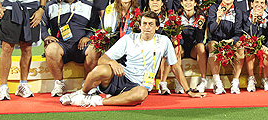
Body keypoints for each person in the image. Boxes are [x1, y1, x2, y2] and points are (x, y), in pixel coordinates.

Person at [59, 11, 206, 107]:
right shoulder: (129, 38)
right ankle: (82, 93)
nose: (147, 27)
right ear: (139, 26)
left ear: (156, 27)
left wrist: (189, 91)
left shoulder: (164, 41)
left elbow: (175, 66)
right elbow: (103, 59)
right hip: (120, 77)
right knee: (101, 69)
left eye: (151, 24)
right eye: (144, 24)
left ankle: (97, 101)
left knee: (141, 94)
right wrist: (113, 62)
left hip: (138, 85)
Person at [41, 0, 101, 96]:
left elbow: (96, 27)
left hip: (82, 46)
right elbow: (41, 24)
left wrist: (88, 37)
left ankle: (87, 84)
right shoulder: (51, 6)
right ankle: (59, 84)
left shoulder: (89, 6)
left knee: (95, 48)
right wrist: (45, 36)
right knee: (51, 48)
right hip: (61, 46)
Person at [206, 0, 244, 94]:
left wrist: (231, 41)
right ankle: (217, 83)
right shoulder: (214, 8)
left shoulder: (238, 11)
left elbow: (238, 33)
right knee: (213, 45)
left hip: (230, 41)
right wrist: (218, 19)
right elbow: (211, 30)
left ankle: (235, 82)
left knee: (241, 47)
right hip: (215, 40)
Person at [241, 0, 268, 92]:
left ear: (265, 6)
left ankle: (265, 79)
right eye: (256, 2)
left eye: (262, 3)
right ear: (251, 4)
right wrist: (253, 22)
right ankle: (251, 78)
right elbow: (245, 33)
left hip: (264, 45)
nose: (259, 5)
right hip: (250, 44)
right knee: (250, 49)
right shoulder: (245, 15)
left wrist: (266, 46)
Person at [175, 0, 208, 93]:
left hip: (194, 49)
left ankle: (203, 80)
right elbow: (177, 39)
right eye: (185, 0)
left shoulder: (200, 17)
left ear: (195, 3)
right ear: (181, 3)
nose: (188, 2)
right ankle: (178, 81)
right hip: (182, 48)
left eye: (191, 0)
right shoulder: (177, 17)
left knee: (201, 46)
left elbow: (199, 39)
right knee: (177, 48)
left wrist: (199, 27)